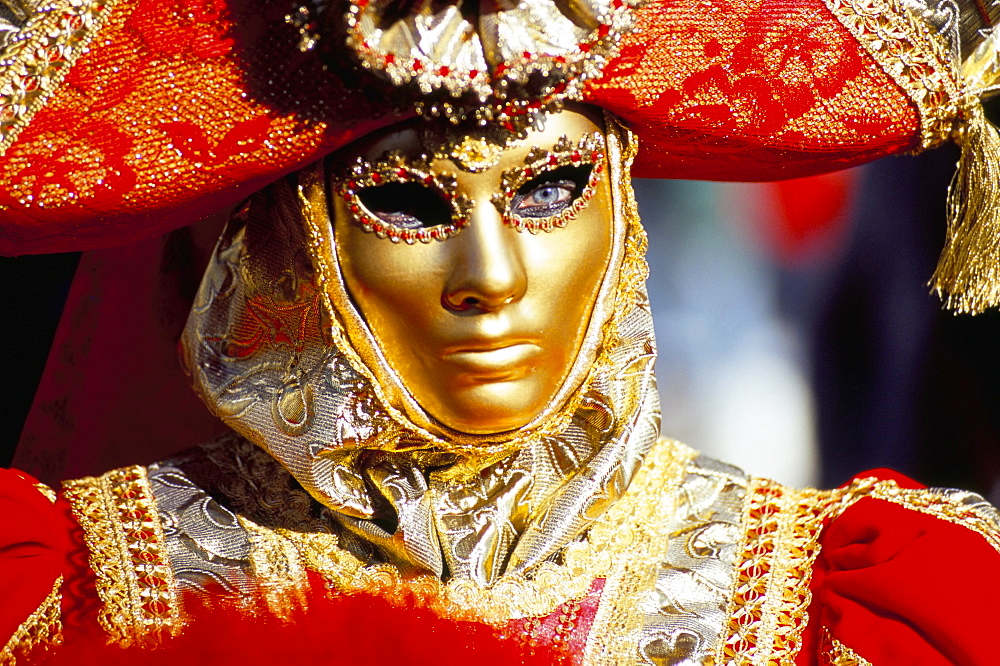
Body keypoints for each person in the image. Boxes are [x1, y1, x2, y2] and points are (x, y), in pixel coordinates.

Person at [2, 0, 1000, 664]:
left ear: (620, 208)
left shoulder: (839, 604)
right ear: (288, 248)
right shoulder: (78, 580)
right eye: (408, 205)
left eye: (548, 191)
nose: (490, 277)